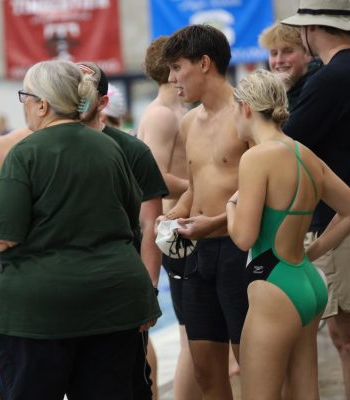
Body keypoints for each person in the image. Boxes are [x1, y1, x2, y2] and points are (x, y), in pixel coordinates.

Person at [0, 59, 161, 399]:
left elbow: (2, 235)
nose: (24, 106)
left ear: (42, 104)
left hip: (42, 311)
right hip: (113, 302)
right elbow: (132, 218)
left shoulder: (26, 153)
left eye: (24, 97)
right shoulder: (111, 148)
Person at [226, 68, 350, 399]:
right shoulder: (305, 154)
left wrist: (230, 207)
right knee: (306, 392)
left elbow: (243, 237)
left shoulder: (256, 158)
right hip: (305, 279)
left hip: (274, 286)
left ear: (246, 108)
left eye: (233, 110)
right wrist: (316, 251)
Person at [160, 25, 249, 400]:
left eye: (178, 67)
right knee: (206, 371)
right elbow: (197, 186)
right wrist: (173, 216)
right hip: (197, 257)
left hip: (239, 251)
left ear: (205, 63)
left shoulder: (246, 114)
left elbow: (266, 186)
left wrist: (216, 222)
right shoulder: (188, 122)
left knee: (254, 369)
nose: (172, 78)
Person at [78, 61, 169, 399]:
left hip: (120, 288)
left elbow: (150, 225)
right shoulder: (44, 148)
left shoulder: (132, 152)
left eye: (84, 96)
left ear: (103, 102)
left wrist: (148, 290)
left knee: (129, 382)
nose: (76, 102)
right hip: (71, 288)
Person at [281, 1, 350, 397]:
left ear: (311, 29)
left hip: (340, 221)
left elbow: (285, 146)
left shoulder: (329, 80)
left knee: (345, 339)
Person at [137, 36, 200, 400]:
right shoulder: (162, 114)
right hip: (168, 230)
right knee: (190, 334)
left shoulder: (177, 111)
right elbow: (155, 177)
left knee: (195, 333)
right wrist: (203, 184)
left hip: (179, 227)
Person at [258, 21, 320, 111]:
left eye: (287, 51)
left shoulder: (318, 88)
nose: (279, 60)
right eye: (274, 53)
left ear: (307, 53)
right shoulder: (268, 94)